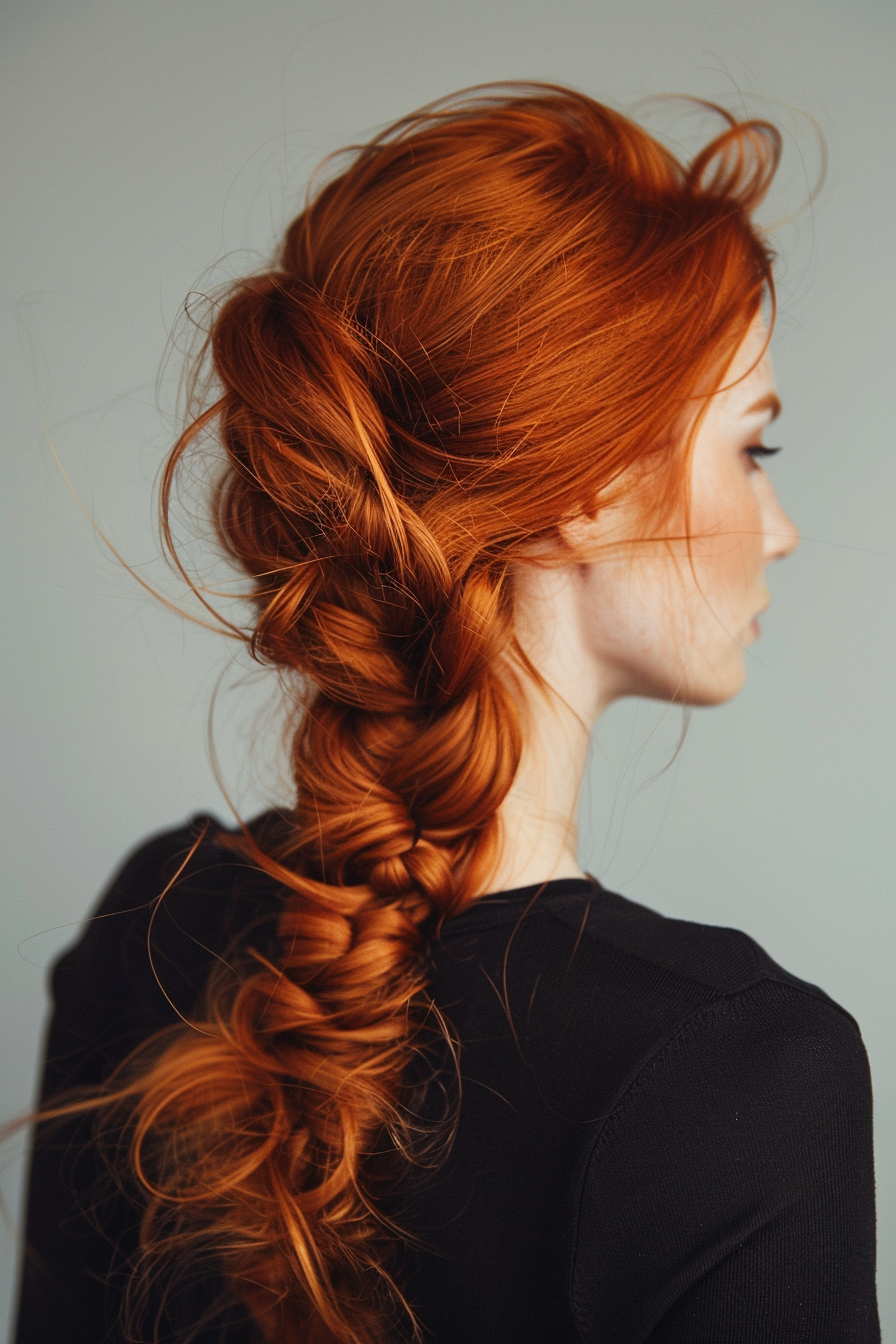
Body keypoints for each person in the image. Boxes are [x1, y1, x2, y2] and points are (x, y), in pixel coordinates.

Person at [14, 83, 879, 1343]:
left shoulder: (157, 924)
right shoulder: (733, 1071)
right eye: (752, 449)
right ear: (585, 487)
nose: (781, 530)